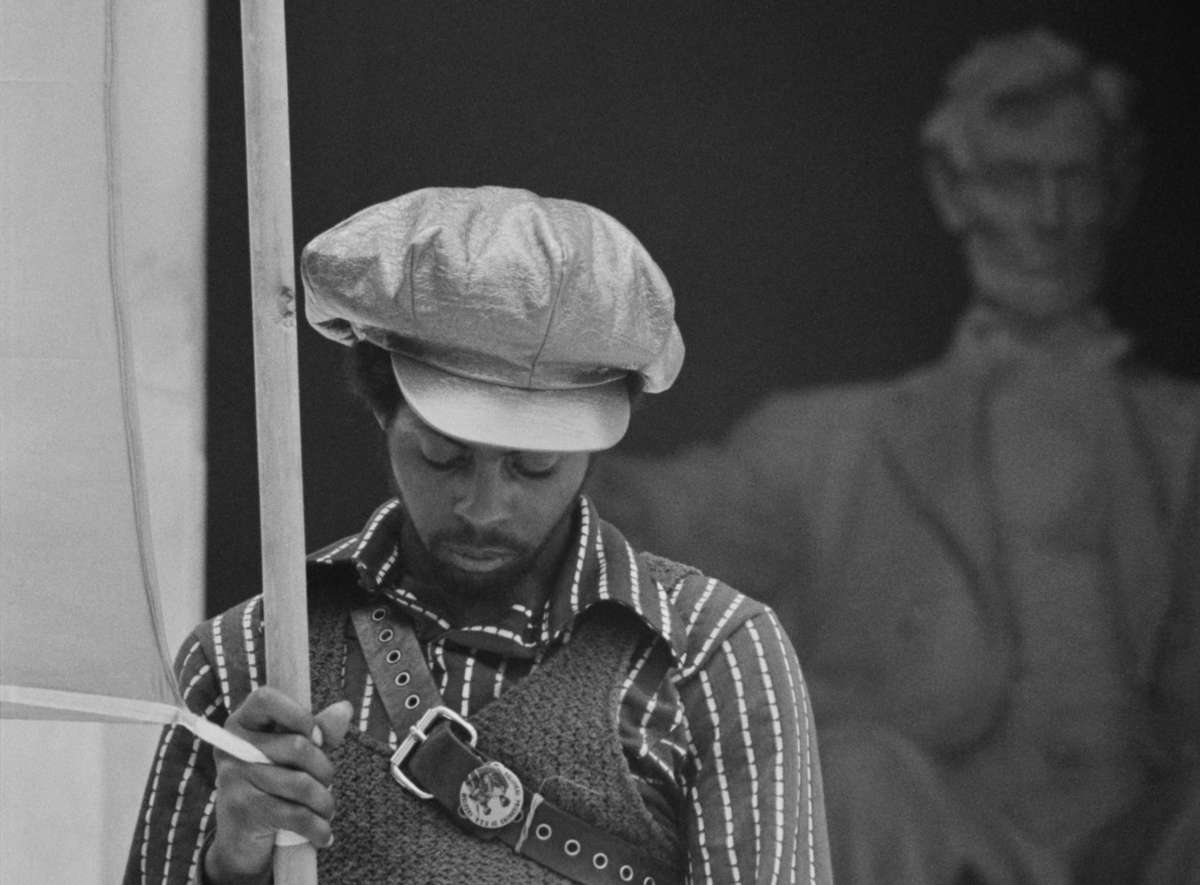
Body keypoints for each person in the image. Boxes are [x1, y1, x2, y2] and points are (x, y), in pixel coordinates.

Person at [586, 28, 1199, 884]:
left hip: (1165, 845)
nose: (1053, 218)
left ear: (1120, 186)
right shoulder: (836, 442)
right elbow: (677, 515)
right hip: (946, 840)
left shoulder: (1184, 437)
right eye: (1019, 180)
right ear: (957, 193)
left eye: (1078, 179)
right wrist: (533, 428)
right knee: (857, 776)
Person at [123, 186, 833, 884]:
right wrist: (231, 859)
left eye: (533, 466)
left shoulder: (712, 660)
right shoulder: (251, 659)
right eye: (444, 455)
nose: (485, 506)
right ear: (381, 405)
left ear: (596, 447)